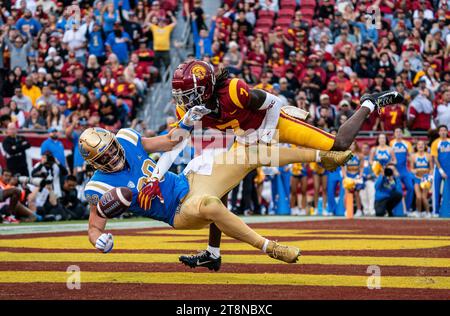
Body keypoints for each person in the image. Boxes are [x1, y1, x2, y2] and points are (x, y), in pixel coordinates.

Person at [172, 59, 403, 269]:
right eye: (184, 95)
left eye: (191, 94)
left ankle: (369, 104)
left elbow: (272, 101)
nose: (186, 101)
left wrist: (266, 134)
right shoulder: (190, 110)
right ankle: (213, 253)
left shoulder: (233, 91)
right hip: (246, 141)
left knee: (340, 144)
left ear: (208, 87)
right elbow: (175, 138)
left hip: (275, 123)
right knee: (218, 188)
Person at [81, 124, 351, 266]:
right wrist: (99, 240)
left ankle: (323, 157)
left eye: (113, 148)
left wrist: (186, 122)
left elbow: (168, 142)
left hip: (188, 180)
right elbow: (94, 226)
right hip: (179, 212)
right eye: (106, 156)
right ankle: (270, 248)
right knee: (210, 206)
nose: (115, 155)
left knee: (251, 153)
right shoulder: (99, 186)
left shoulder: (128, 140)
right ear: (96, 163)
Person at [390, 128, 414, 212]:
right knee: (395, 189)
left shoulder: (407, 143)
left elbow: (412, 157)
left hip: (404, 170)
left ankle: (407, 208)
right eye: (396, 132)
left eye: (400, 132)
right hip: (394, 170)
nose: (398, 133)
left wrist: (411, 168)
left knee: (410, 188)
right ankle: (394, 209)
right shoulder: (391, 143)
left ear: (402, 134)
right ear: (394, 134)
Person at [410, 140, 433, 218]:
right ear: (416, 146)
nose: (420, 146)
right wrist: (417, 170)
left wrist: (429, 177)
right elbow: (411, 169)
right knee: (418, 197)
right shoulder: (413, 156)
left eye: (422, 144)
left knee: (424, 197)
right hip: (417, 178)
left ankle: (428, 212)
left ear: (425, 146)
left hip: (425, 178)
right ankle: (419, 212)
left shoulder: (428, 155)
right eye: (419, 144)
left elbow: (431, 169)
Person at [431, 125, 450, 217]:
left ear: (447, 132)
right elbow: (435, 158)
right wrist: (441, 170)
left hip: (449, 169)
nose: (443, 132)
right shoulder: (435, 143)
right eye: (441, 130)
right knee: (436, 191)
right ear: (438, 132)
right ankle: (435, 212)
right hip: (438, 169)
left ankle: (446, 211)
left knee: (448, 191)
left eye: (444, 130)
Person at [342, 142, 364, 217]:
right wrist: (345, 177)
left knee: (357, 193)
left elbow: (361, 167)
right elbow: (343, 168)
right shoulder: (345, 155)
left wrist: (360, 175)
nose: (352, 146)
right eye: (350, 144)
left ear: (356, 146)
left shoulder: (360, 155)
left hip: (356, 175)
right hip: (348, 175)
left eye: (353, 145)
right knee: (347, 193)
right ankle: (347, 210)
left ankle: (359, 210)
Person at [360, 143, 376, 216]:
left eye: (366, 148)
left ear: (369, 149)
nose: (365, 149)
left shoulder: (372, 158)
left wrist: (372, 175)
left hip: (370, 180)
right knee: (363, 196)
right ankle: (365, 211)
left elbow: (376, 170)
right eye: (363, 148)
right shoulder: (359, 158)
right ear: (361, 149)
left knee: (371, 195)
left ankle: (371, 210)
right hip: (361, 180)